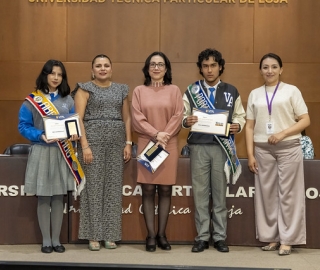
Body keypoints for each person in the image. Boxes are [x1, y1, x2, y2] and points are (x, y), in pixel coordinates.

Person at [245, 53, 310, 256]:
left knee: (289, 194)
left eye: (274, 67)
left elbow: (305, 120)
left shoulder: (291, 91)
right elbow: (249, 127)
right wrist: (250, 154)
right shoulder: (255, 94)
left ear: (281, 69)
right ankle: (271, 237)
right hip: (262, 149)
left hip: (288, 146)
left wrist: (283, 133)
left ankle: (288, 239)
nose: (270, 71)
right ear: (261, 70)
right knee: (267, 195)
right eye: (265, 67)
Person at [182, 48, 246, 253]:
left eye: (213, 65)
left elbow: (240, 116)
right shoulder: (191, 90)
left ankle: (219, 237)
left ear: (220, 67)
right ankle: (202, 237)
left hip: (221, 149)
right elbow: (182, 116)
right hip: (199, 147)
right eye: (205, 66)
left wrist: (238, 125)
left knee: (219, 195)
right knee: (200, 195)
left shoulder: (231, 91)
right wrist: (186, 121)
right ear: (200, 69)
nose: (209, 70)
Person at [18, 59, 81, 254]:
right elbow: (23, 126)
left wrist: (74, 134)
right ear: (45, 75)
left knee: (58, 198)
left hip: (62, 152)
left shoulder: (67, 100)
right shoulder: (32, 100)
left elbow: (72, 123)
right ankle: (46, 240)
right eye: (52, 73)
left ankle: (56, 240)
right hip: (42, 151)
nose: (56, 77)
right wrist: (39, 135)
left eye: (60, 74)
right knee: (44, 197)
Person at [73, 54, 132, 251]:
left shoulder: (122, 89)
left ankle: (110, 235)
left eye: (106, 65)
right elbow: (78, 119)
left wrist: (128, 143)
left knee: (113, 190)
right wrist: (85, 146)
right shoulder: (84, 88)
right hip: (93, 144)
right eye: (98, 66)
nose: (103, 68)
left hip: (116, 144)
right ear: (92, 70)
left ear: (111, 69)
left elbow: (127, 118)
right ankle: (93, 235)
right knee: (94, 191)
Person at [131, 52, 184, 252]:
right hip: (147, 143)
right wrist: (156, 134)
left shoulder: (174, 90)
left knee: (165, 190)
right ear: (147, 68)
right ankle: (150, 235)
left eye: (160, 64)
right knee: (147, 190)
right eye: (152, 64)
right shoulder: (139, 90)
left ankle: (162, 234)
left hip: (168, 144)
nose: (156, 67)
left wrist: (164, 135)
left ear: (166, 68)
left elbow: (178, 115)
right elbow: (137, 118)